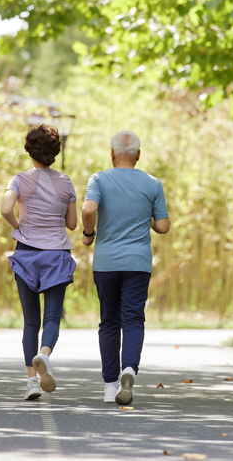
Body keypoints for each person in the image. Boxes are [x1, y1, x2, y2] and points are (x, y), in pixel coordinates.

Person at [81, 130, 170, 405]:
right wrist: (148, 220)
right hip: (138, 263)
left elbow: (87, 210)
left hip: (107, 262)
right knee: (133, 319)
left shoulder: (99, 179)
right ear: (138, 156)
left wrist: (88, 234)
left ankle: (110, 386)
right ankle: (128, 369)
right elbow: (163, 226)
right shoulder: (152, 183)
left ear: (112, 154)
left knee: (109, 322)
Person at [0, 125, 78, 400]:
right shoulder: (65, 182)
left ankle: (32, 383)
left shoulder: (19, 180)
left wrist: (17, 225)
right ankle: (43, 354)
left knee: (30, 321)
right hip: (56, 253)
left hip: (27, 253)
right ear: (55, 152)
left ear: (29, 150)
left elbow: (5, 208)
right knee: (52, 316)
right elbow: (71, 224)